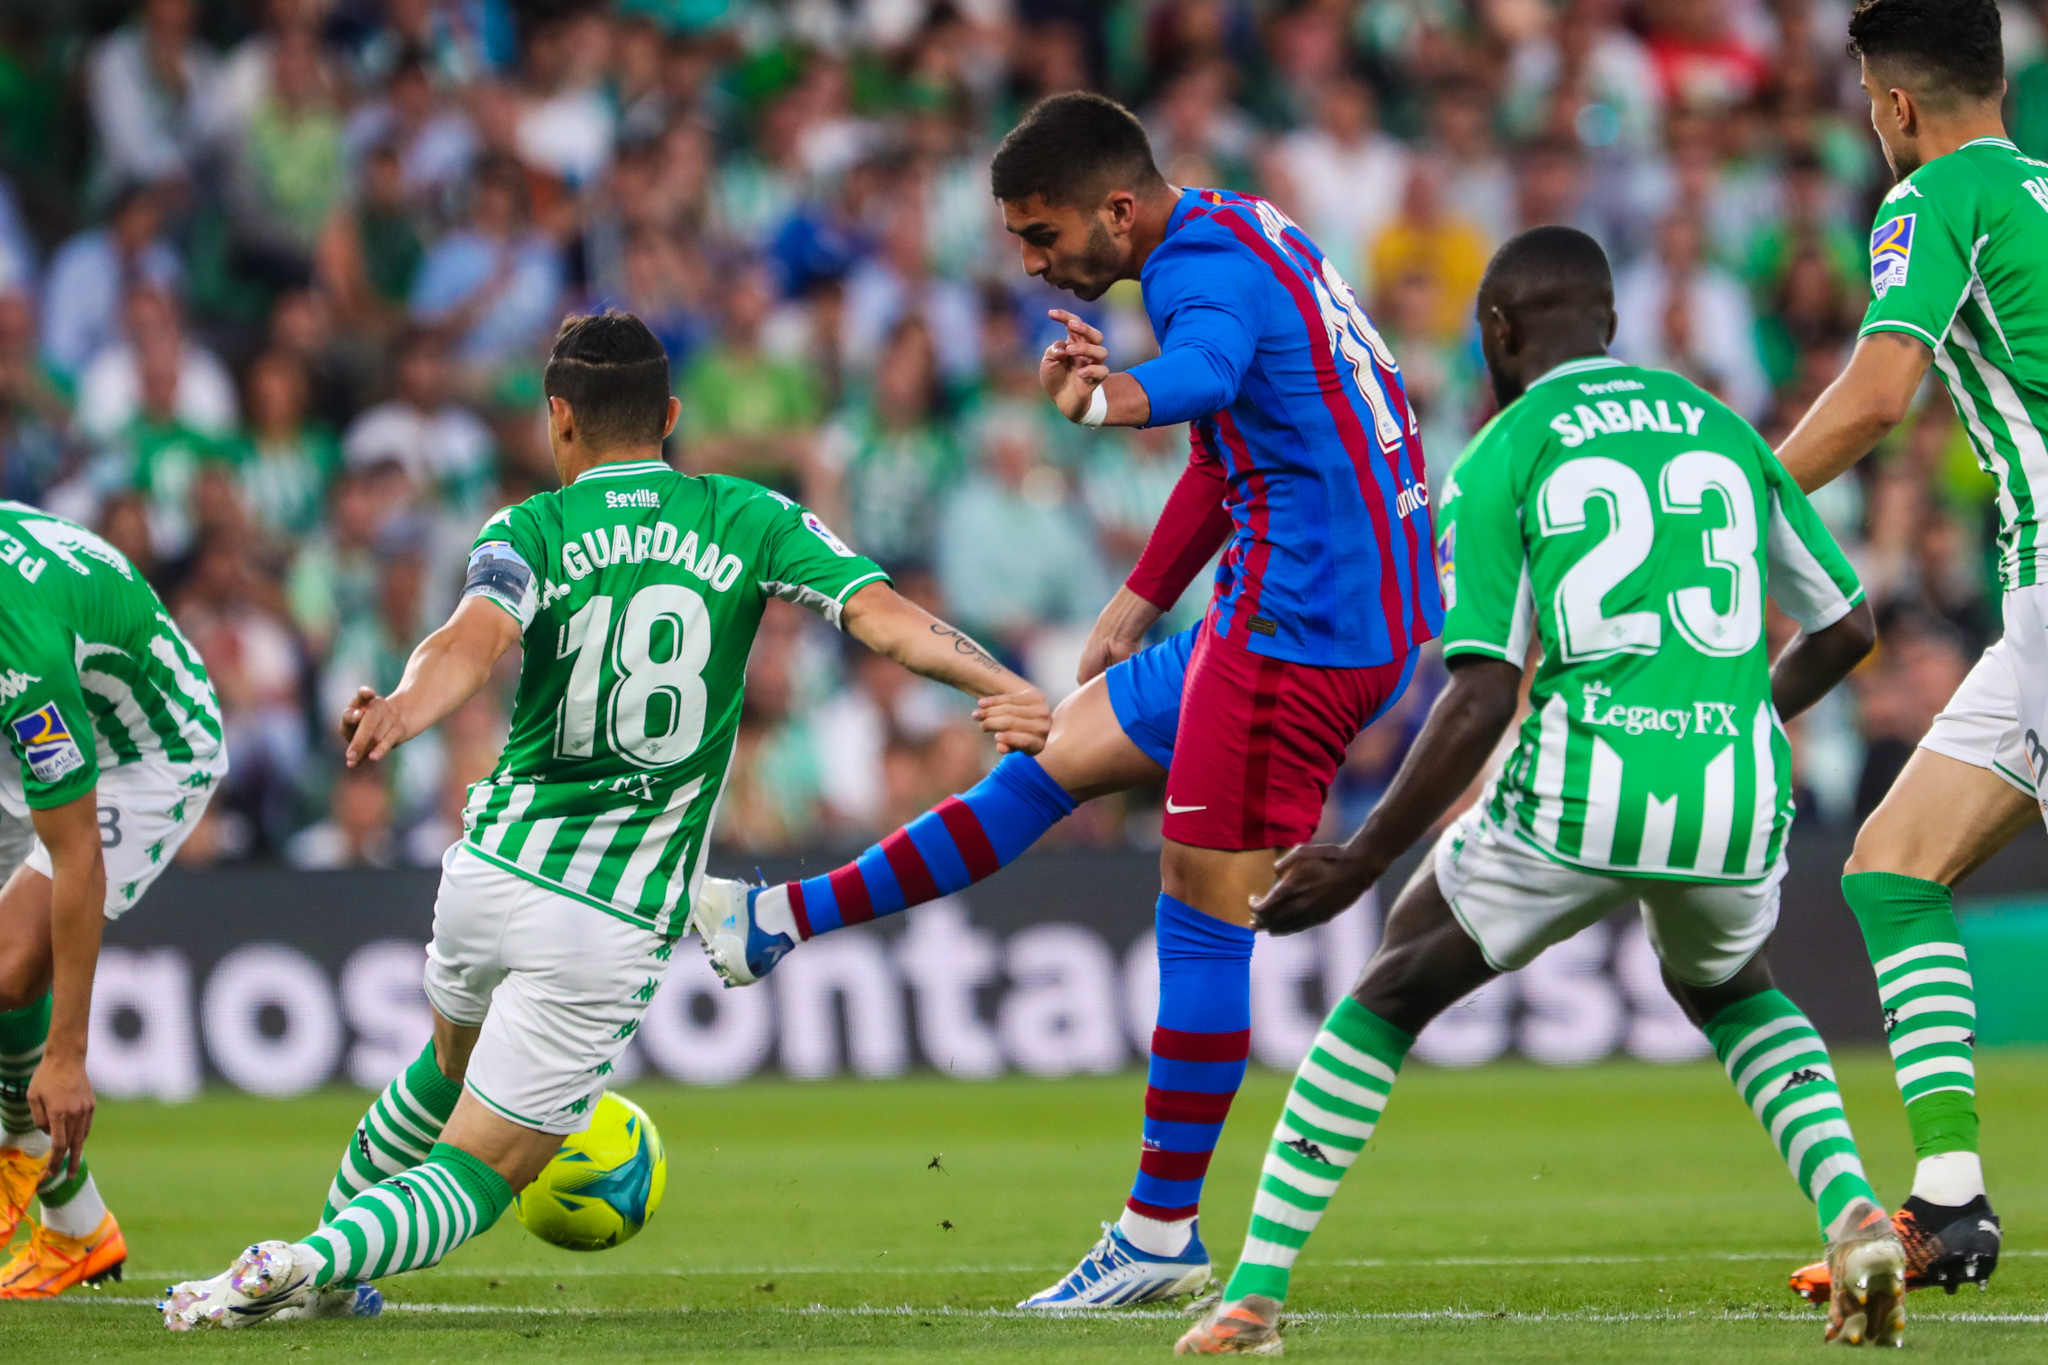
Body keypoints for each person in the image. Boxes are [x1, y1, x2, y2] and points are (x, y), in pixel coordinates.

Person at [692, 91, 1442, 1309]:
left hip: (1305, 627)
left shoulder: (1194, 276)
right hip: (1296, 598)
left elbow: (1197, 377)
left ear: (1117, 209)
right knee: (1049, 760)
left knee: (1201, 910)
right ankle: (774, 923)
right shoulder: (1243, 231)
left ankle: (1158, 1234)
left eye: (1043, 238)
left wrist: (1098, 400)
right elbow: (1235, 439)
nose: (1035, 263)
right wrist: (1140, 599)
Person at [159, 311, 1049, 1329]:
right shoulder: (746, 515)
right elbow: (880, 616)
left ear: (558, 421)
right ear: (671, 415)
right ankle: (304, 1259)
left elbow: (469, 639)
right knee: (480, 1173)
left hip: (488, 874)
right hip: (607, 915)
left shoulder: (526, 529)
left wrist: (407, 706)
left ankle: (331, 1276)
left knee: (444, 1069)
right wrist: (1003, 682)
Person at [1175, 225, 1898, 1355]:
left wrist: (1363, 857)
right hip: (1735, 786)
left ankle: (1252, 1299)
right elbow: (1849, 624)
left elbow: (1476, 696)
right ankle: (1853, 1210)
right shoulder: (1722, 429)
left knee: (1388, 992)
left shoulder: (1504, 450)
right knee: (1731, 988)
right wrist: (1734, 710)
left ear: (1499, 333)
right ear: (1608, 325)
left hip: (1579, 781)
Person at [1770, 0, 2029, 1302]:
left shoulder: (1934, 200)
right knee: (1892, 866)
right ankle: (1949, 1203)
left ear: (1896, 105)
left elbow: (1880, 393)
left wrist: (1735, 493)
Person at [0, 504, 227, 1297]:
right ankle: (80, 1228)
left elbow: (76, 856)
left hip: (146, 750)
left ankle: (24, 1150)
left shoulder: (22, 649)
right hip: (41, 722)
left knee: (8, 971)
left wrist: (67, 1055)